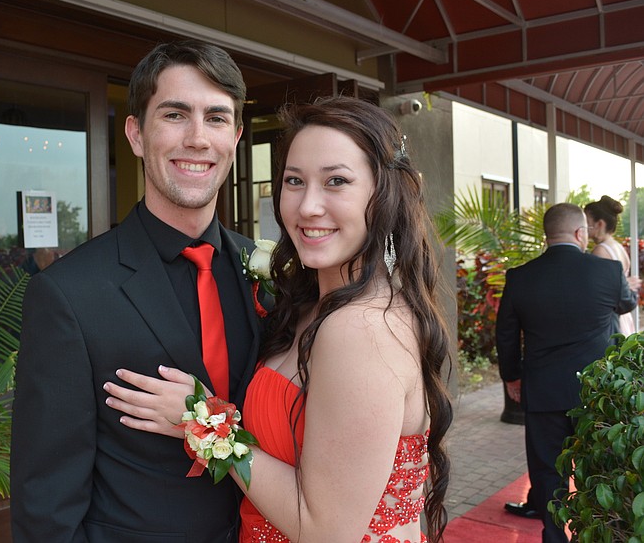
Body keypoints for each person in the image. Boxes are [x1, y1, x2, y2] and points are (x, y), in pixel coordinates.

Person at [106, 97, 453, 542]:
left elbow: (325, 532)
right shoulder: (311, 305)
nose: (308, 206)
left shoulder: (361, 330)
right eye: (294, 181)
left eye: (336, 182)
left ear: (383, 195)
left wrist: (201, 422)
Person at [11, 39, 270, 542]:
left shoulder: (266, 273)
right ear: (135, 133)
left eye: (216, 118)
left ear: (235, 137)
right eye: (175, 114)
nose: (198, 138)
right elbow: (46, 502)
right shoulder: (68, 294)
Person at [496, 202, 637, 543]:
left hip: (543, 391)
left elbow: (505, 334)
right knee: (598, 470)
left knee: (547, 471)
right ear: (580, 233)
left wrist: (512, 377)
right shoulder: (606, 272)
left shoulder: (520, 277)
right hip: (596, 396)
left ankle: (554, 537)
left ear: (547, 236)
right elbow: (626, 305)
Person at [585, 195, 640, 336]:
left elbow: (599, 290)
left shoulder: (600, 251)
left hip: (611, 320)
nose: (585, 228)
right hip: (624, 318)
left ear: (600, 224)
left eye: (587, 222)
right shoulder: (617, 246)